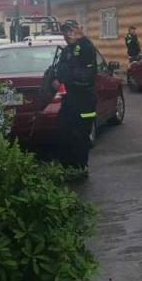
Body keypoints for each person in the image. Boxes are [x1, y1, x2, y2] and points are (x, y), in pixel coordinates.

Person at [53, 20, 97, 175]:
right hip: (69, 101)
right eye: (65, 32)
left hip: (84, 101)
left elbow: (86, 75)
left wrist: (64, 79)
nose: (68, 34)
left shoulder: (86, 47)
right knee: (64, 133)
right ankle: (67, 168)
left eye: (71, 30)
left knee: (80, 137)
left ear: (80, 30)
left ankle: (80, 169)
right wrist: (54, 79)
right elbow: (60, 71)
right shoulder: (67, 50)